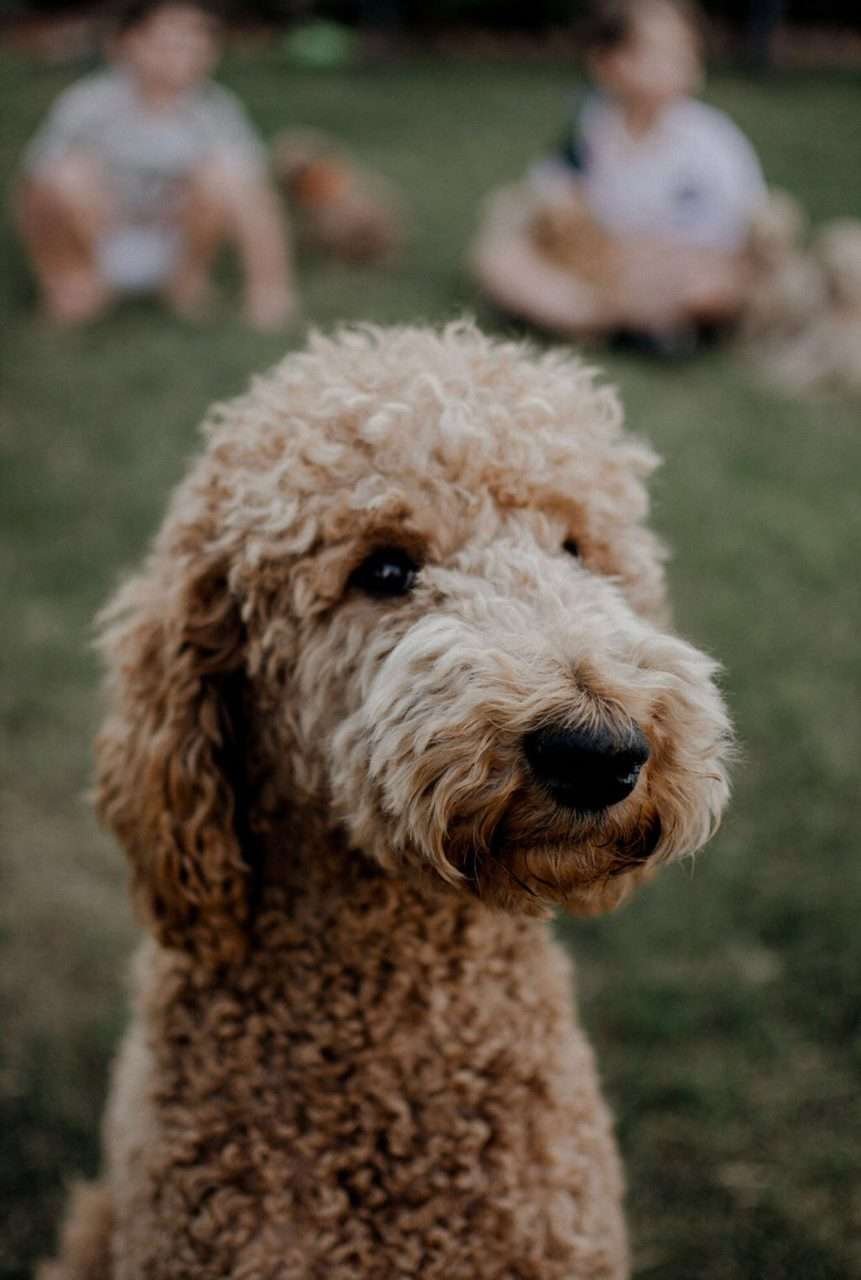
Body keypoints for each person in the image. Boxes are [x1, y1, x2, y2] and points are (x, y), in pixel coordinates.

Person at [472, 0, 768, 349]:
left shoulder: (712, 140)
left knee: (716, 287)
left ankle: (594, 321)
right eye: (657, 52)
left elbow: (738, 229)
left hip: (679, 267)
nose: (677, 64)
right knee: (500, 258)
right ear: (607, 64)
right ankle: (619, 322)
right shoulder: (592, 129)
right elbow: (551, 194)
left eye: (685, 51)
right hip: (603, 266)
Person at [15, 0, 296, 330]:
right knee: (64, 172)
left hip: (175, 238)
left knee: (227, 175)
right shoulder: (88, 105)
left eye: (197, 41)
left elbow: (254, 200)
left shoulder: (214, 111)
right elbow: (33, 196)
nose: (185, 52)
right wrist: (53, 268)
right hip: (101, 235)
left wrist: (271, 288)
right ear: (126, 44)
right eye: (171, 42)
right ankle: (77, 284)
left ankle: (188, 282)